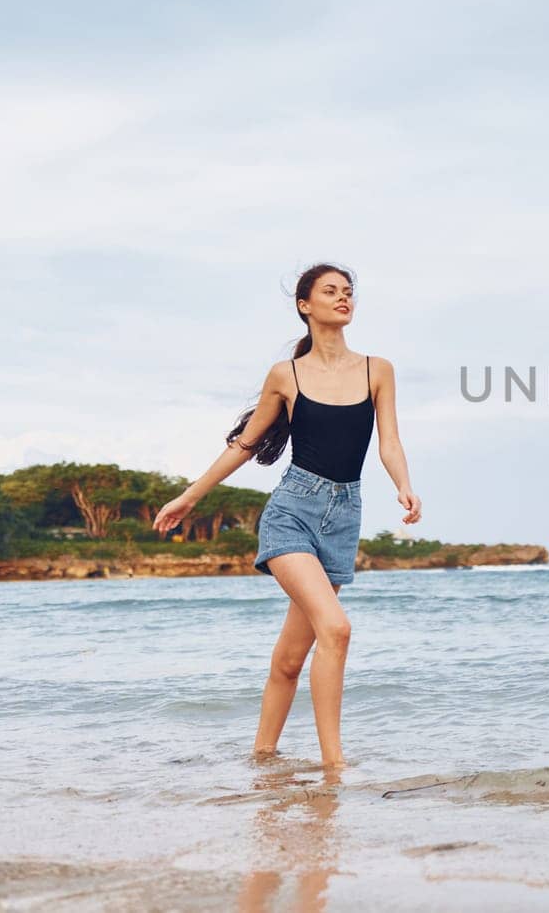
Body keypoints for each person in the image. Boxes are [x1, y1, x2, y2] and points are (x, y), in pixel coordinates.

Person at [154, 263, 422, 768]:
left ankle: (262, 756)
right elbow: (246, 444)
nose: (343, 298)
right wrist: (190, 496)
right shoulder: (287, 375)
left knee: (292, 657)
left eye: (348, 292)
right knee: (336, 629)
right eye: (330, 291)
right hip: (292, 513)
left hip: (344, 516)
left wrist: (405, 486)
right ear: (305, 305)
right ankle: (334, 765)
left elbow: (389, 441)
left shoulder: (377, 370)